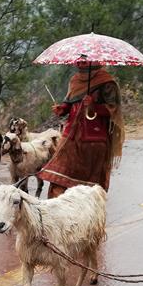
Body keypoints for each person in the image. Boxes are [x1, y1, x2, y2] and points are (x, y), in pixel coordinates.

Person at [37, 60, 125, 198]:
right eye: (79, 60)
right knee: (59, 175)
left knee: (90, 185)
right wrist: (62, 109)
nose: (80, 63)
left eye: (85, 60)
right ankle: (55, 210)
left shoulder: (107, 82)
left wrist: (93, 105)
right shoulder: (75, 80)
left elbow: (113, 110)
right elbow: (69, 103)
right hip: (70, 136)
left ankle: (89, 212)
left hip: (94, 140)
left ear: (94, 60)